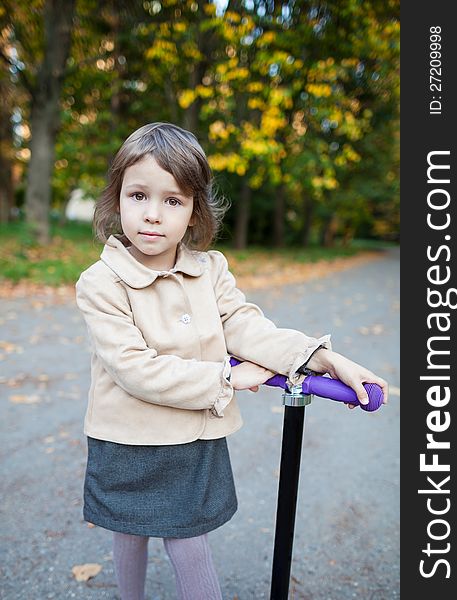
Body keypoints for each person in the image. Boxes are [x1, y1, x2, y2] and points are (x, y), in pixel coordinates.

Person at [75, 122, 388, 600]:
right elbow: (133, 368)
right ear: (117, 198)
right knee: (128, 530)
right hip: (127, 437)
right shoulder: (101, 282)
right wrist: (227, 377)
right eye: (138, 195)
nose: (153, 215)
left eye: (172, 201)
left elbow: (246, 326)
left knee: (188, 539)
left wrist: (321, 358)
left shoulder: (210, 271)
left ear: (194, 210)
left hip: (190, 437)